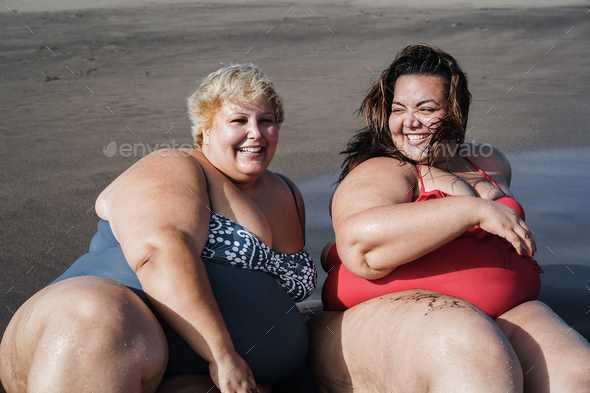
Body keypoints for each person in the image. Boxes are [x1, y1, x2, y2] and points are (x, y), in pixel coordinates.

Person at [0, 63, 317, 393]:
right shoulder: (174, 165)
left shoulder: (287, 193)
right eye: (239, 121)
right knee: (101, 318)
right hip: (102, 333)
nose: (255, 132)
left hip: (190, 372)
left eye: (266, 121)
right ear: (204, 131)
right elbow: (158, 251)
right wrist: (223, 356)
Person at [307, 44, 590, 392]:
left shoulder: (488, 163)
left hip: (506, 309)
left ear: (456, 112)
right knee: (480, 365)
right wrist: (470, 210)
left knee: (578, 374)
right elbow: (359, 248)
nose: (410, 121)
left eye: (426, 109)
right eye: (399, 109)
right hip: (398, 314)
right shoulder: (383, 170)